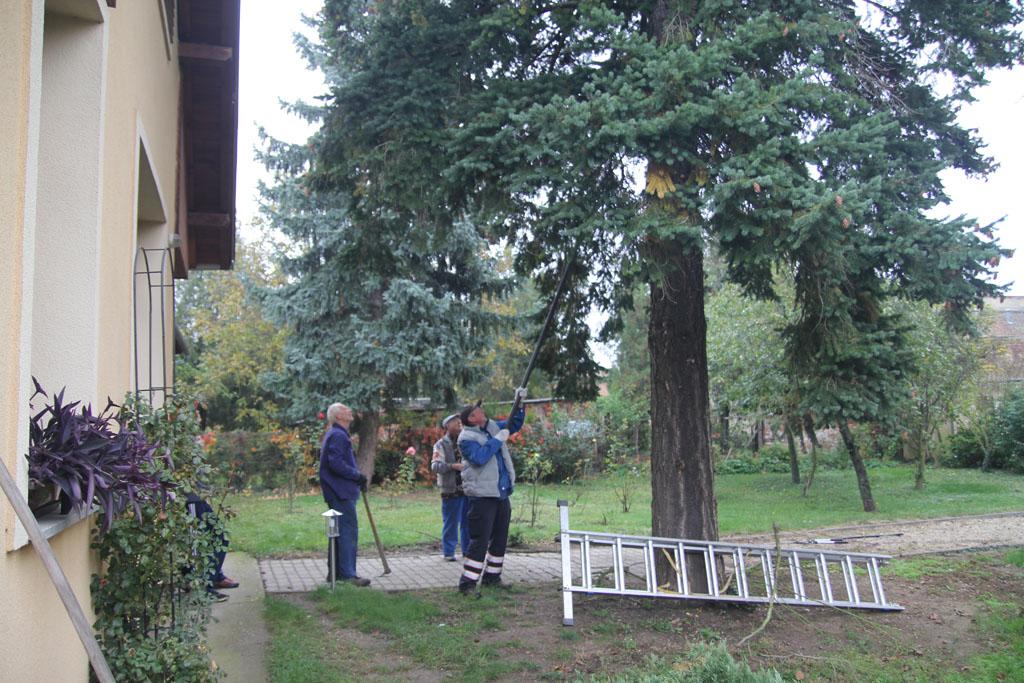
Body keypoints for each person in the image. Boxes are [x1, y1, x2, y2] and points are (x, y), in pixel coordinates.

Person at [456, 388, 527, 594]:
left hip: (500, 493)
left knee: (500, 538)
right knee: (480, 540)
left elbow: (513, 424)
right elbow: (479, 458)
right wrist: (497, 440)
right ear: (471, 418)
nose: (482, 410)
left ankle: (492, 578)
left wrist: (520, 403)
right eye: (478, 410)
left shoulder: (492, 426)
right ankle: (467, 584)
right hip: (482, 496)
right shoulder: (465, 438)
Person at [320, 402, 371, 587]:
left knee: (338, 532)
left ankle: (335, 573)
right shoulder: (338, 435)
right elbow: (336, 463)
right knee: (347, 532)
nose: (350, 410)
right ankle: (348, 575)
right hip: (340, 491)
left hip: (336, 491)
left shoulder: (336, 434)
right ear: (338, 416)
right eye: (345, 409)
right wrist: (357, 476)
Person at [185, 492, 238, 603]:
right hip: (190, 500)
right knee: (196, 545)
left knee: (220, 537)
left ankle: (215, 576)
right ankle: (202, 589)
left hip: (198, 498)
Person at [431, 414, 469, 561]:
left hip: (468, 489)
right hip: (450, 490)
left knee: (468, 522)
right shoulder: (440, 445)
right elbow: (435, 466)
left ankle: (468, 551)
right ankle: (449, 553)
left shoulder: (466, 441)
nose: (459, 424)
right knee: (451, 523)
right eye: (455, 422)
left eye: (460, 421)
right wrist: (453, 466)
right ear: (447, 426)